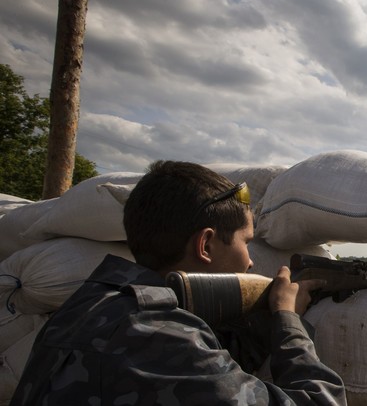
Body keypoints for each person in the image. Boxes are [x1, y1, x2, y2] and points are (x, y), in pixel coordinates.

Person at [11, 161, 347, 405]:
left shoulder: (87, 304)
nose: (250, 261)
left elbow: (218, 368)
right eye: (246, 242)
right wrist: (289, 323)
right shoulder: (156, 336)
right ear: (205, 245)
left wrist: (268, 315)